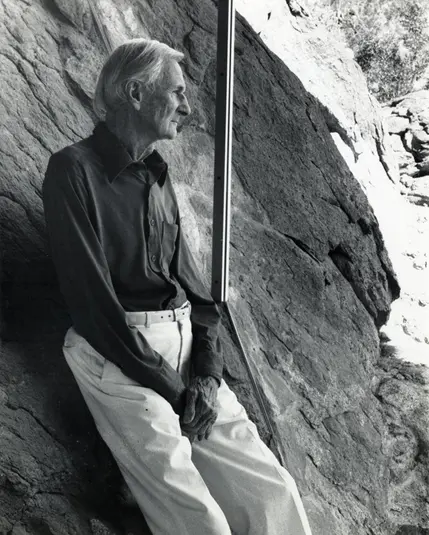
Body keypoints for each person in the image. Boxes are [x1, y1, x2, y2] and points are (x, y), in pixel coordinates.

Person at [42, 38, 313, 535]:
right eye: (177, 93)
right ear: (135, 93)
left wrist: (206, 377)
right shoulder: (72, 171)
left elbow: (196, 292)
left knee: (275, 494)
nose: (187, 107)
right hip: (119, 355)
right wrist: (173, 389)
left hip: (186, 350)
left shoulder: (157, 176)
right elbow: (94, 309)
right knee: (200, 522)